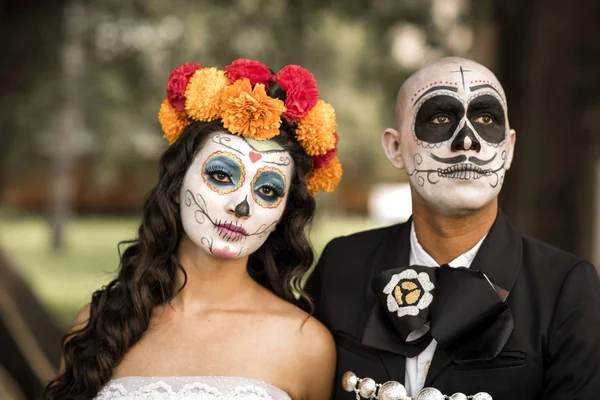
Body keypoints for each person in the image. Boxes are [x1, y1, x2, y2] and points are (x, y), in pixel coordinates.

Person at [43, 59, 343, 400]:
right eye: (220, 175)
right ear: (176, 184)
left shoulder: (305, 344)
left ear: (284, 215)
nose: (241, 206)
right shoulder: (98, 324)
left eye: (268, 190)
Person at [307, 57, 600, 400]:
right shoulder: (342, 263)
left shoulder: (566, 288)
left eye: (486, 118)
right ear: (395, 147)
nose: (467, 141)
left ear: (508, 149)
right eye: (441, 118)